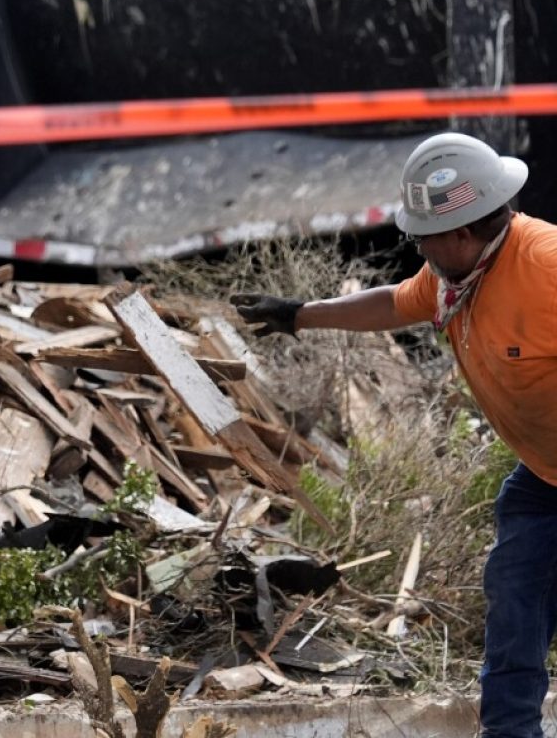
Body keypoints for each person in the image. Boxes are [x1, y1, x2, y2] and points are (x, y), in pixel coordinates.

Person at [231, 131, 557, 738]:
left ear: (462, 232)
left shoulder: (545, 265)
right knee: (515, 599)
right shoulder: (456, 275)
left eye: (422, 235)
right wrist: (299, 314)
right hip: (544, 476)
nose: (414, 244)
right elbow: (393, 304)